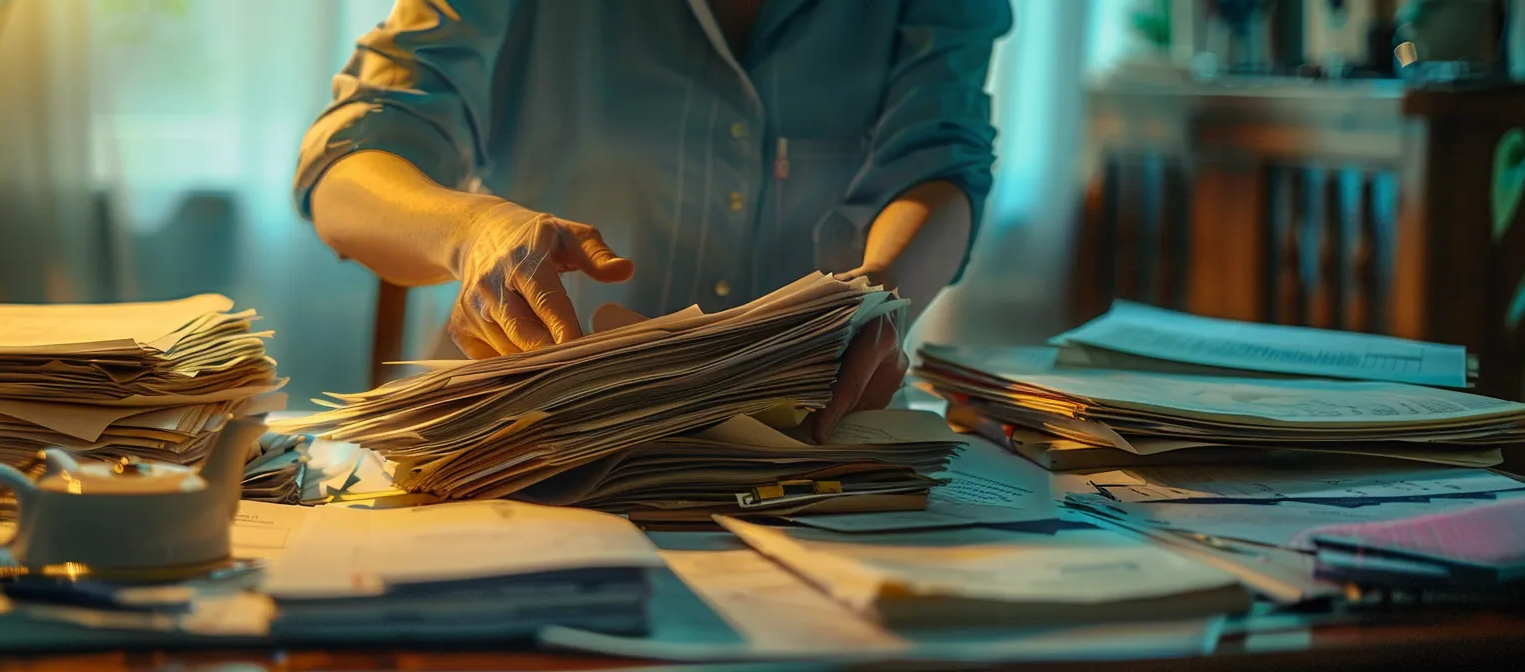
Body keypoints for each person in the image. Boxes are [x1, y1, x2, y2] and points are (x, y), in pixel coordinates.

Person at [296, 0, 1011, 440]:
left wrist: (883, 294)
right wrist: (473, 231)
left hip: (809, 446)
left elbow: (939, 162)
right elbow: (347, 167)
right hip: (531, 451)